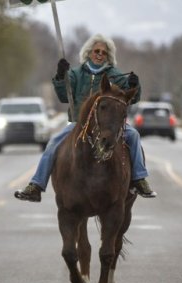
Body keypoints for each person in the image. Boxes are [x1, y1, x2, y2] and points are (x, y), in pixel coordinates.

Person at [15, 33, 156, 202]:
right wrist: (61, 76)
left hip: (109, 126)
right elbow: (63, 96)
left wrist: (134, 85)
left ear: (108, 56)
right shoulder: (75, 74)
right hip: (78, 125)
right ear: (89, 52)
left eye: (104, 53)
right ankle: (36, 185)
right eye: (96, 51)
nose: (99, 55)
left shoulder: (116, 75)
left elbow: (131, 97)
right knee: (53, 142)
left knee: (133, 135)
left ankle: (139, 179)